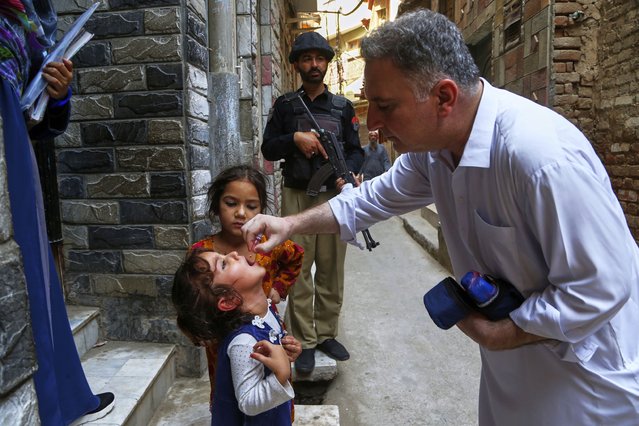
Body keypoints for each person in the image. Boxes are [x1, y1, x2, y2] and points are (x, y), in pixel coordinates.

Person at [243, 9, 639, 425]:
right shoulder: (435, 152)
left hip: (585, 384)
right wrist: (289, 224)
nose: (372, 124)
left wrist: (504, 333)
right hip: (513, 375)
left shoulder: (541, 158)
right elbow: (371, 198)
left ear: (444, 98)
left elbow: (601, 287)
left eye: (384, 106)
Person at [1, 1, 115, 425]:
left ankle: (58, 399)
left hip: (13, 143)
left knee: (34, 275)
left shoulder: (22, 17)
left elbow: (40, 112)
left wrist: (58, 88)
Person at [261, 31, 364, 373]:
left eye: (319, 58)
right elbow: (269, 148)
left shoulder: (342, 107)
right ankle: (303, 339)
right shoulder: (285, 106)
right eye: (307, 59)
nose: (314, 64)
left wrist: (349, 174)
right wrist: (294, 138)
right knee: (299, 270)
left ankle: (326, 334)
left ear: (327, 63)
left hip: (334, 197)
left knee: (332, 268)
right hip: (297, 196)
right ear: (297, 65)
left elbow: (356, 152)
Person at [190, 164, 304, 406]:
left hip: (266, 338)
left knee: (273, 391)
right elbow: (190, 302)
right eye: (231, 203)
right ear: (216, 205)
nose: (241, 213)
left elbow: (295, 257)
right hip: (221, 346)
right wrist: (202, 333)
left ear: (261, 210)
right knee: (230, 397)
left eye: (251, 206)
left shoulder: (270, 245)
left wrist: (279, 289)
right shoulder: (202, 255)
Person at [172, 249, 301, 425]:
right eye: (223, 263)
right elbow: (248, 401)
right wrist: (281, 373)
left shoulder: (266, 310)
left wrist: (285, 350)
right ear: (228, 300)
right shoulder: (244, 343)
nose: (233, 253)